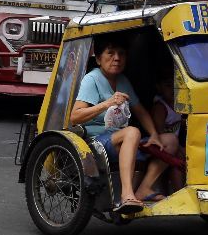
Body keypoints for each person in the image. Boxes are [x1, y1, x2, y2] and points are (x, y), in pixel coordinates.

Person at [71, 37, 167, 214]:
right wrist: (106, 103)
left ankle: (143, 189)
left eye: (121, 54)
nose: (117, 58)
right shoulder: (92, 79)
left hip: (121, 139)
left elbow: (139, 110)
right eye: (110, 53)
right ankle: (127, 195)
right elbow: (75, 117)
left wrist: (154, 134)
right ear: (99, 58)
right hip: (96, 142)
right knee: (132, 132)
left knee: (169, 141)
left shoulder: (122, 80)